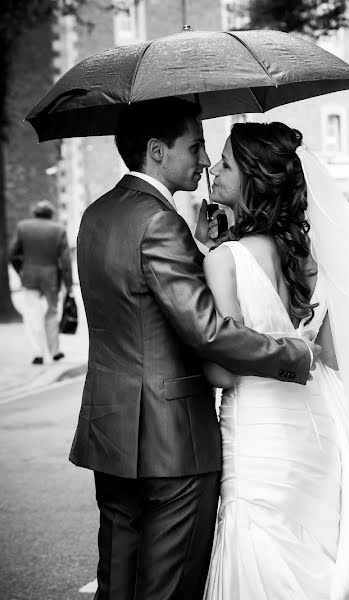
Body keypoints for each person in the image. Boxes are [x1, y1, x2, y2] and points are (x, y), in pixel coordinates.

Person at [70, 99, 317, 600]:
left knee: (118, 579)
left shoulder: (97, 215)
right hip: (173, 440)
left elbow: (140, 307)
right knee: (169, 585)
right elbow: (207, 331)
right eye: (196, 147)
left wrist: (199, 252)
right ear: (157, 151)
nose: (205, 162)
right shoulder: (161, 222)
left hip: (110, 431)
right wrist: (294, 355)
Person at [200, 122, 349, 599]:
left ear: (253, 180)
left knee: (261, 548)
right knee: (318, 549)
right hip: (316, 430)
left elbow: (222, 369)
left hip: (259, 431)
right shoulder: (312, 258)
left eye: (226, 163)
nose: (212, 170)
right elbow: (337, 356)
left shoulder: (224, 261)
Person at [8, 200, 72, 364]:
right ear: (51, 214)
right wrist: (69, 284)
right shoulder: (59, 230)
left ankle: (38, 353)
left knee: (32, 313)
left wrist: (20, 270)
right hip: (51, 278)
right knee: (51, 313)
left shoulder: (23, 227)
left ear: (35, 213)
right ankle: (55, 351)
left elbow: (13, 253)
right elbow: (65, 261)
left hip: (29, 276)